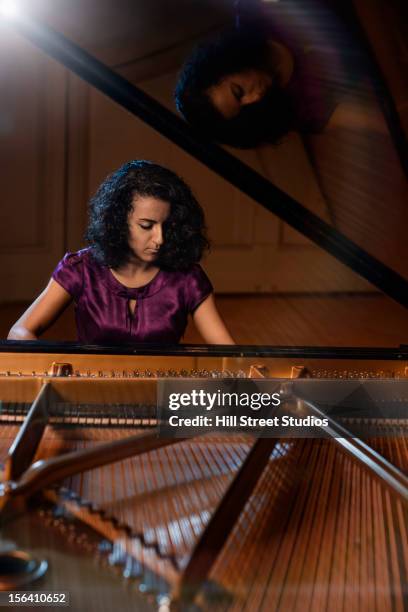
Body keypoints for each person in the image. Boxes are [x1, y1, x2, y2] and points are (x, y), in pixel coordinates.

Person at [8, 160, 234, 345]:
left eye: (167, 226)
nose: (160, 239)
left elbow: (227, 352)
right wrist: (58, 372)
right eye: (146, 226)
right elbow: (19, 331)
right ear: (118, 222)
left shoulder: (188, 277)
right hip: (91, 393)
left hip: (163, 394)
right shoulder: (81, 268)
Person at [175, 0, 364, 147]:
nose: (256, 98)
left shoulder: (256, 11)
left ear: (225, 64)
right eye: (245, 111)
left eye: (238, 91)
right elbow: (374, 116)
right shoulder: (302, 110)